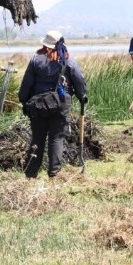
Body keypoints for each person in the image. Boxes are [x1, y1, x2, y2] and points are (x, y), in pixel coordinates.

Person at [18, 30, 88, 179]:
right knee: (57, 138)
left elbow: (26, 85)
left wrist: (24, 100)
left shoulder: (36, 61)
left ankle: (31, 174)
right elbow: (79, 80)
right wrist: (82, 96)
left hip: (38, 106)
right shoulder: (69, 61)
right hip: (61, 105)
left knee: (37, 139)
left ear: (45, 45)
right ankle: (54, 174)